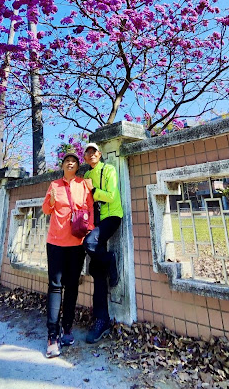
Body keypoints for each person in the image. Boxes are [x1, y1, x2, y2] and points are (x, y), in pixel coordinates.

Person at [42, 152, 93, 358]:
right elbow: (46, 210)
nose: (70, 163)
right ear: (62, 166)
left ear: (77, 166)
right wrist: (52, 201)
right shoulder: (54, 185)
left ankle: (67, 329)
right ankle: (52, 335)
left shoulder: (83, 185)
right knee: (55, 286)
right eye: (66, 161)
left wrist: (88, 229)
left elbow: (89, 208)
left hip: (76, 242)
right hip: (55, 242)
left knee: (72, 286)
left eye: (74, 161)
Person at [83, 142, 123, 344]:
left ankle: (109, 258)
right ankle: (101, 320)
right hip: (95, 222)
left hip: (112, 217)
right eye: (87, 153)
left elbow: (111, 195)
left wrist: (93, 191)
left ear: (100, 154)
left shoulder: (109, 169)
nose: (90, 155)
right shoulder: (86, 176)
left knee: (89, 243)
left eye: (93, 151)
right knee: (96, 270)